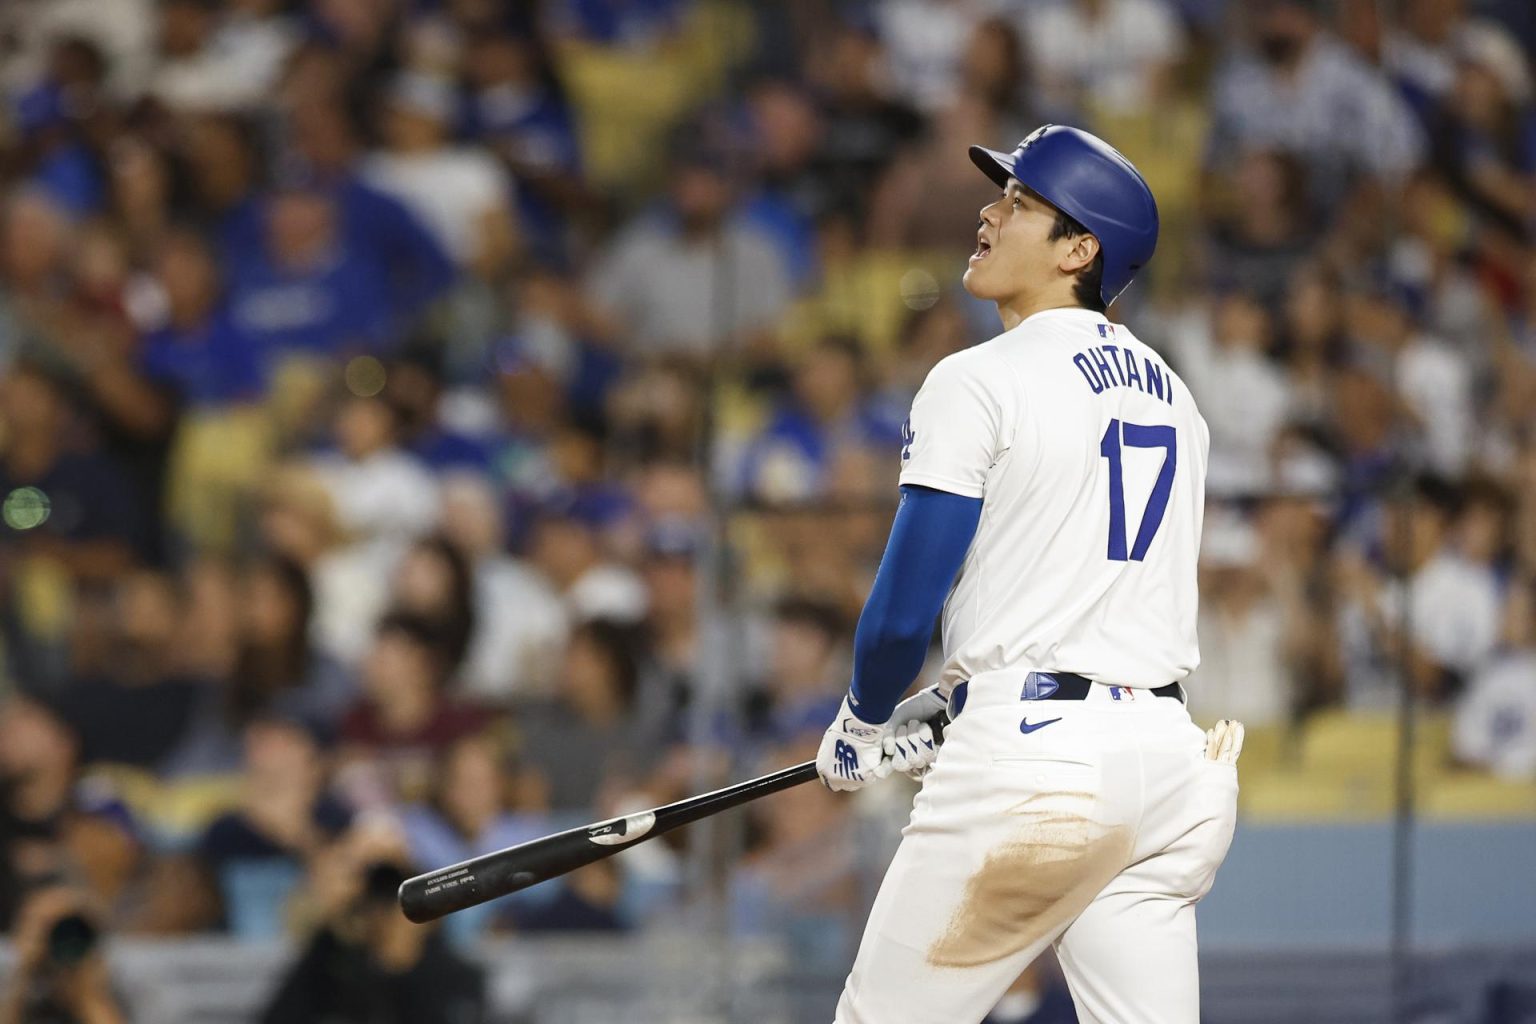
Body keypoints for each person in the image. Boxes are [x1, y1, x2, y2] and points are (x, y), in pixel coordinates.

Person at [813, 125, 1242, 1023]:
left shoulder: (978, 378)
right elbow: (1080, 588)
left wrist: (864, 713)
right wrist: (959, 695)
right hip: (1169, 770)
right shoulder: (1177, 394)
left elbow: (899, 616)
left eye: (1020, 203)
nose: (989, 211)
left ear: (1081, 249)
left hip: (1038, 768)